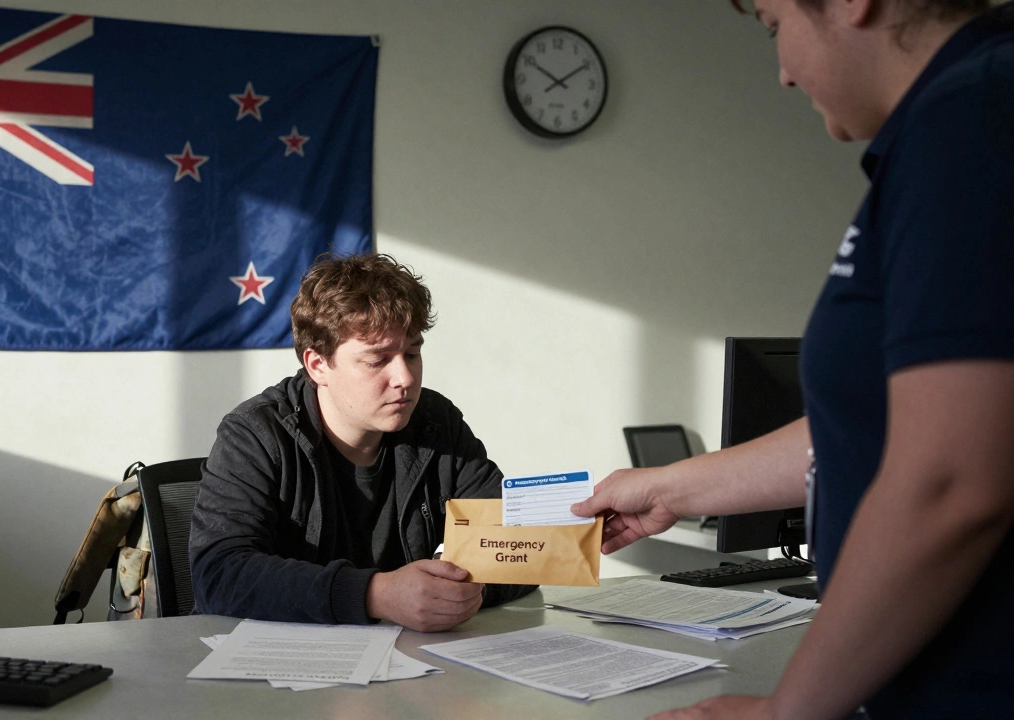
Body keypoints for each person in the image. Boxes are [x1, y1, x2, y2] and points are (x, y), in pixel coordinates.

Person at [573, 1, 1014, 718]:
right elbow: (878, 424)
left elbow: (950, 480)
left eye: (776, 26)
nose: (781, 73)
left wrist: (787, 713)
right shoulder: (949, 125)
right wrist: (671, 489)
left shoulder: (973, 118)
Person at [189, 253, 536, 633]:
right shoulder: (254, 434)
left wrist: (462, 589)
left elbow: (514, 542)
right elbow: (219, 574)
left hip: (414, 665)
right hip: (283, 671)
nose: (404, 377)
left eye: (413, 353)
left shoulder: (438, 423)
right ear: (317, 365)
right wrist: (376, 594)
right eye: (377, 360)